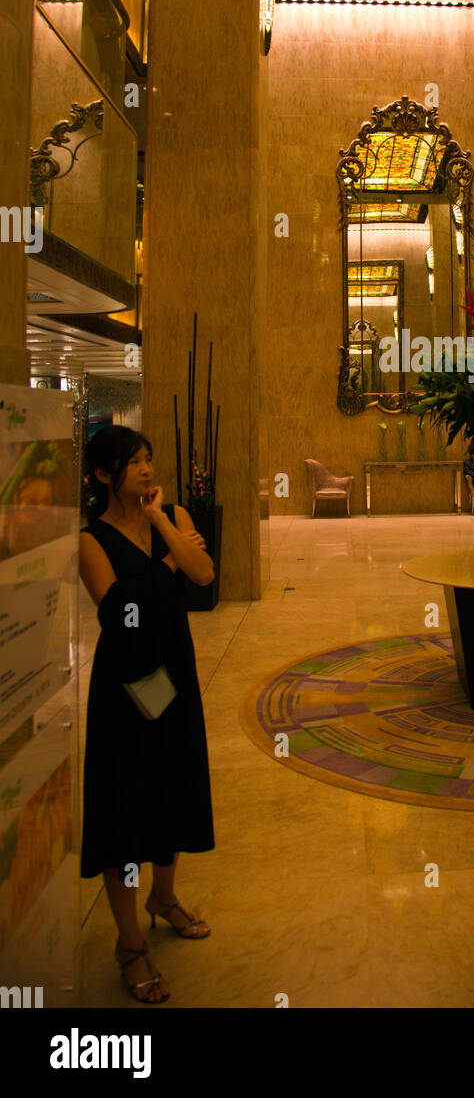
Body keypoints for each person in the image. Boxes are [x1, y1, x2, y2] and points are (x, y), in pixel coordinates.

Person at [79, 425, 216, 1003]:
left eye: (148, 459)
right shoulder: (91, 541)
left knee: (173, 785)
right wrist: (168, 570)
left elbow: (205, 577)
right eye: (132, 462)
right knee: (125, 804)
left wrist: (163, 524)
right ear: (103, 475)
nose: (146, 469)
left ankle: (164, 896)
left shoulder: (173, 513)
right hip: (129, 683)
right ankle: (129, 942)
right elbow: (120, 615)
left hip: (174, 670)